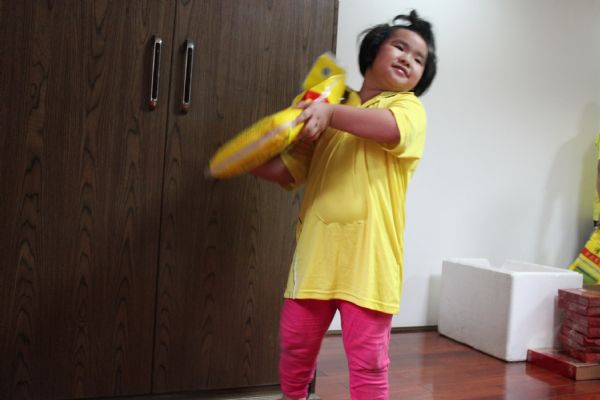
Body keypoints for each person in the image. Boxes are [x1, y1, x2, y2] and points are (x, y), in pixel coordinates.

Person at [252, 10, 437, 400]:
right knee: (295, 349)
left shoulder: (407, 109)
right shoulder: (329, 107)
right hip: (316, 258)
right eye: (399, 47)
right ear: (374, 50)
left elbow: (389, 128)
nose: (408, 59)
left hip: (369, 263)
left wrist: (330, 113)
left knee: (369, 363)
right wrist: (247, 157)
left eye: (419, 59)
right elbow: (289, 171)